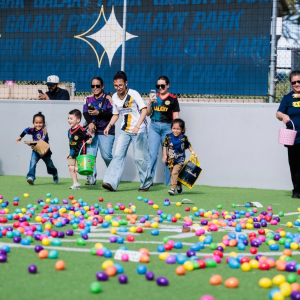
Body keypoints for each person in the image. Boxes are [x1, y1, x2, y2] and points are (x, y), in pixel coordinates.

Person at [102, 71, 152, 192]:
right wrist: (109, 126)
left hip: (139, 131)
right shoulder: (114, 96)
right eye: (115, 85)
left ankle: (146, 182)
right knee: (118, 155)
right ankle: (111, 182)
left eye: (120, 85)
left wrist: (137, 126)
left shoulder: (134, 94)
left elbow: (144, 111)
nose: (118, 88)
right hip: (124, 131)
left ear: (126, 83)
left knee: (139, 158)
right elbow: (115, 115)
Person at [147, 76, 180, 186]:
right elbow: (147, 113)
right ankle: (148, 181)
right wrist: (149, 103)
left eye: (162, 85)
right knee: (152, 154)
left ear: (168, 85)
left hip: (167, 128)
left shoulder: (173, 98)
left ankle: (168, 183)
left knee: (168, 155)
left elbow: (176, 117)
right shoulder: (154, 97)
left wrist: (176, 133)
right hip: (154, 126)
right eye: (158, 86)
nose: (160, 88)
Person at [83, 77, 115, 185]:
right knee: (90, 156)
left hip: (106, 131)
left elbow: (111, 114)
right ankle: (91, 179)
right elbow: (85, 113)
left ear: (102, 86)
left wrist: (99, 113)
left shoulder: (108, 98)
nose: (95, 88)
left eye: (97, 86)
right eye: (93, 86)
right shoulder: (88, 99)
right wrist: (90, 123)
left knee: (106, 156)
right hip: (92, 132)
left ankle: (114, 174)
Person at [15, 112, 58, 185]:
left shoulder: (44, 132)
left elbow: (41, 143)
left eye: (40, 123)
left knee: (50, 166)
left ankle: (54, 173)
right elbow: (26, 130)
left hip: (45, 152)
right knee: (32, 162)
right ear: (33, 123)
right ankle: (31, 177)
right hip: (36, 151)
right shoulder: (32, 129)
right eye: (36, 123)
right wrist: (20, 137)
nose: (38, 125)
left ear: (43, 123)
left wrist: (32, 143)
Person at [276, 70, 300, 198]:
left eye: (299, 81)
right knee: (295, 166)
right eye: (294, 82)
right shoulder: (287, 98)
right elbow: (278, 113)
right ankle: (296, 190)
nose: (297, 84)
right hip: (293, 139)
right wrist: (283, 116)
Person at [162, 118, 196, 196]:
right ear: (171, 128)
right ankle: (178, 184)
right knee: (172, 174)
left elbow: (188, 145)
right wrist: (164, 155)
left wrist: (193, 152)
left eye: (178, 129)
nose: (175, 131)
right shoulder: (168, 137)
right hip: (170, 159)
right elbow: (164, 145)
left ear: (182, 130)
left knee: (175, 172)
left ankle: (172, 189)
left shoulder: (184, 138)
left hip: (180, 159)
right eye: (174, 128)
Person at [67, 109, 92, 190]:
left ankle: (89, 174)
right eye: (68, 118)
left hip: (80, 154)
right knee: (71, 168)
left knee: (78, 169)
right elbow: (71, 143)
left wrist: (89, 140)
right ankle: (76, 183)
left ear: (78, 120)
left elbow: (89, 136)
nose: (69, 120)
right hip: (72, 154)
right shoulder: (69, 131)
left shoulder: (81, 130)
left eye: (71, 118)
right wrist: (69, 152)